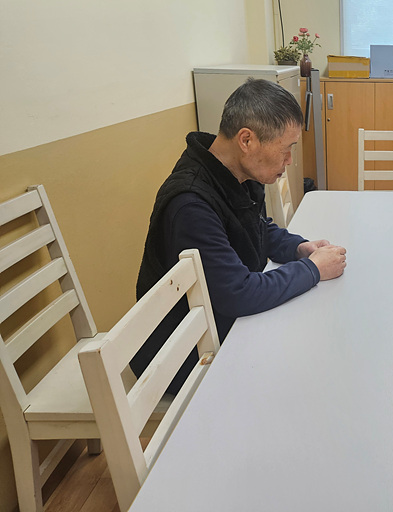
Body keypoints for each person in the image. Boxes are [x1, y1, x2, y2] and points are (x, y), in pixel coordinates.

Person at [132, 78, 347, 393]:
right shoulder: (192, 205)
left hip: (223, 326)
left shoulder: (232, 170)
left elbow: (257, 227)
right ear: (247, 140)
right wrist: (313, 269)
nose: (289, 161)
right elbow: (239, 293)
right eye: (286, 149)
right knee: (313, 371)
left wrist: (299, 248)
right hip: (181, 359)